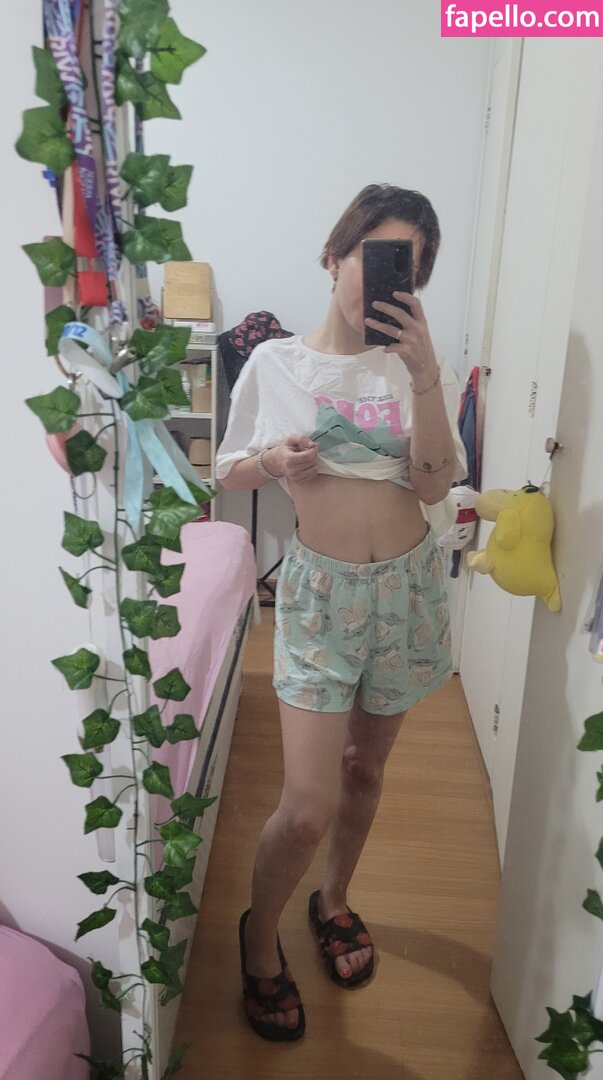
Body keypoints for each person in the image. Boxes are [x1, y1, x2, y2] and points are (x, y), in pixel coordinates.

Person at [215, 184, 467, 1042]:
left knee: (365, 771)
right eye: (377, 256)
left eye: (411, 269)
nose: (392, 280)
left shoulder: (415, 366)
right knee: (304, 805)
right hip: (320, 599)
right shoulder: (274, 363)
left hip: (406, 590)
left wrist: (425, 376)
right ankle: (258, 936)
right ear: (334, 257)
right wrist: (272, 463)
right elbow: (225, 469)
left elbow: (432, 485)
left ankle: (333, 900)